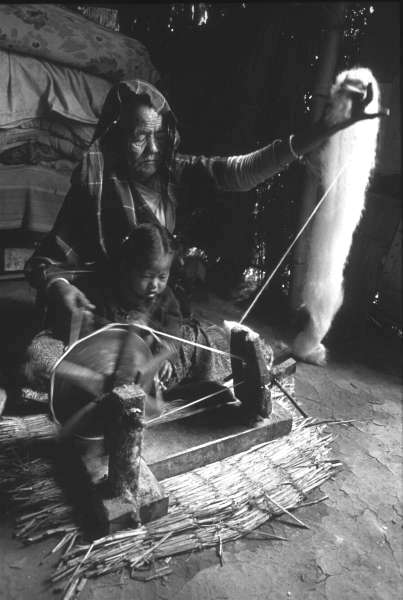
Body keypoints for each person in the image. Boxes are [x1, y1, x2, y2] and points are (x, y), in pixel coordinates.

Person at [24, 78, 381, 325]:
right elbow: (45, 263)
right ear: (116, 138)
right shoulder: (95, 184)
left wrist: (328, 127)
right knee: (50, 356)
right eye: (139, 137)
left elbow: (243, 170)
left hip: (155, 311)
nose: (153, 149)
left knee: (205, 348)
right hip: (105, 306)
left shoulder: (175, 173)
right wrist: (60, 288)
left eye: (160, 136)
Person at [21, 223, 236, 394]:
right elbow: (84, 328)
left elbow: (173, 328)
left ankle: (143, 388)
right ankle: (97, 390)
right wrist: (113, 334)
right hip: (99, 360)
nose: (154, 285)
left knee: (202, 340)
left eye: (162, 277)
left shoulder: (166, 298)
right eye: (146, 276)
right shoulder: (102, 287)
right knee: (38, 356)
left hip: (145, 364)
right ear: (127, 267)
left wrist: (166, 357)